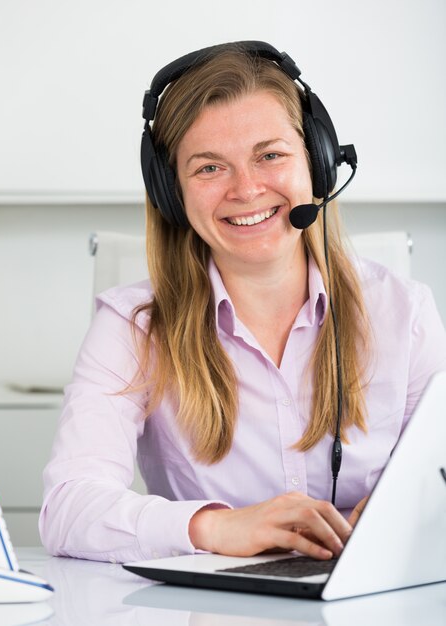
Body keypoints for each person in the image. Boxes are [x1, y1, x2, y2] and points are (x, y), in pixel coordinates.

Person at [39, 41, 446, 564]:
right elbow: (69, 507)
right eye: (210, 168)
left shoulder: (405, 314)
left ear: (317, 165)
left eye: (270, 155)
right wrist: (216, 527)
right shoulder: (133, 328)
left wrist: (406, 513)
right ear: (171, 193)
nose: (247, 189)